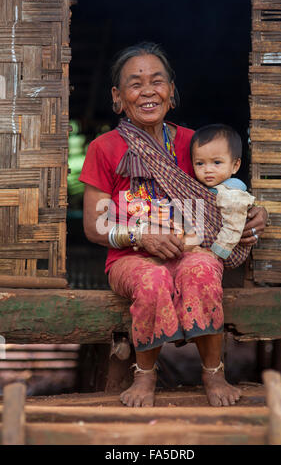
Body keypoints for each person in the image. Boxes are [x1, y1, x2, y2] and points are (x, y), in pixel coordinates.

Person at [79, 42, 268, 408]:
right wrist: (140, 234)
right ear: (118, 97)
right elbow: (93, 226)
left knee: (201, 269)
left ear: (172, 91)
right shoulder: (104, 148)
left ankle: (214, 374)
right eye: (135, 84)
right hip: (129, 259)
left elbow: (229, 189)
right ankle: (144, 377)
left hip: (190, 249)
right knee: (154, 279)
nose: (148, 91)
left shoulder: (194, 143)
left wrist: (256, 216)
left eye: (157, 81)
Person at [189, 124, 256, 260]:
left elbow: (233, 226)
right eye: (200, 163)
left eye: (217, 162)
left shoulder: (232, 193)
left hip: (225, 250)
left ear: (235, 165)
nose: (208, 169)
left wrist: (216, 253)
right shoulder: (203, 189)